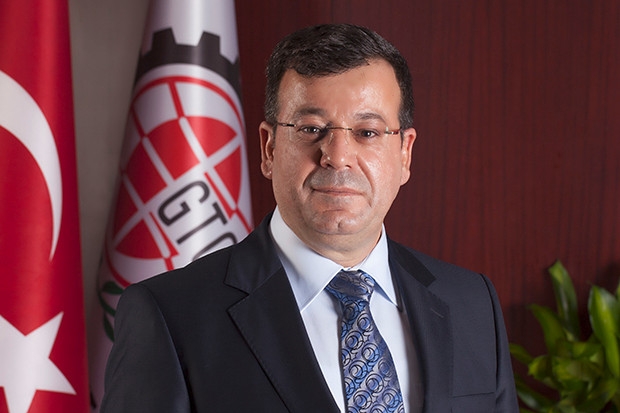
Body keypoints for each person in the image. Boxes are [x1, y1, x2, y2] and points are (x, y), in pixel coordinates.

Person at [100, 23, 518, 412]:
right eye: (311, 128)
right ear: (269, 149)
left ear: (405, 153)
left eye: (367, 132)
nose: (337, 156)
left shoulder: (471, 303)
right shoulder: (172, 315)